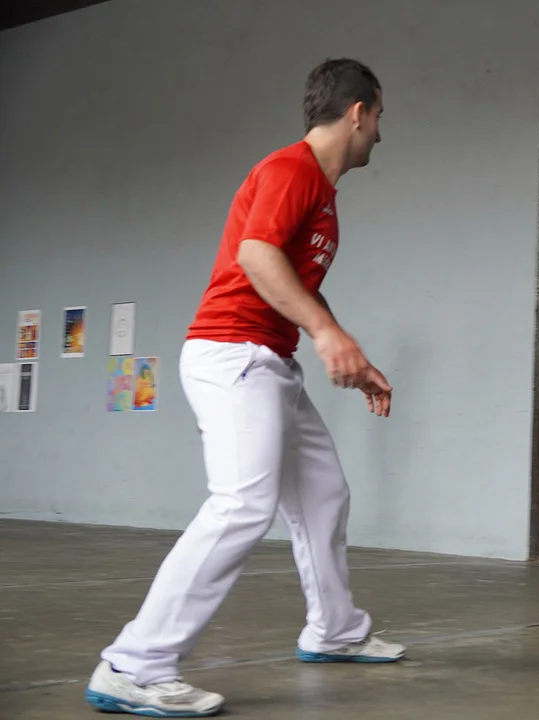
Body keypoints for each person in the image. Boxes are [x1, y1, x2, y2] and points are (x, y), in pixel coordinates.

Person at [85, 58, 405, 717]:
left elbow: (293, 284)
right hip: (234, 355)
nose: (381, 131)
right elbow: (256, 256)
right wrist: (327, 335)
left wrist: (344, 346)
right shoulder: (291, 170)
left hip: (270, 363)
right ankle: (134, 665)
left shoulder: (320, 192)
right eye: (379, 117)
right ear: (358, 113)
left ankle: (335, 630)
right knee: (241, 505)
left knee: (323, 495)